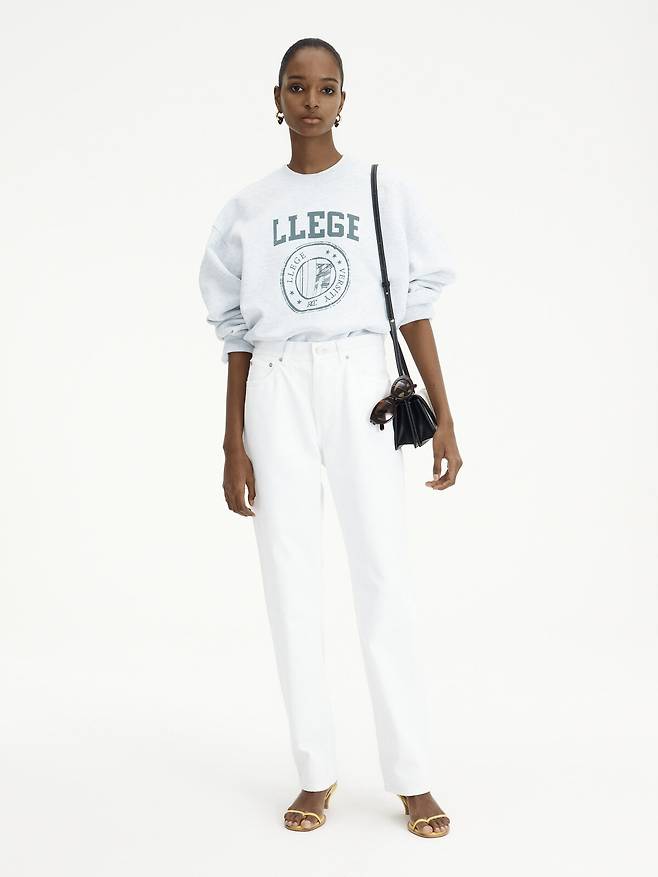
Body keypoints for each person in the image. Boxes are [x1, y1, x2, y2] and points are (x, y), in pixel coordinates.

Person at [198, 37, 463, 837]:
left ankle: (411, 775)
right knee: (289, 578)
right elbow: (236, 332)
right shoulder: (247, 208)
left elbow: (412, 306)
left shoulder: (382, 190)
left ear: (344, 100)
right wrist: (233, 441)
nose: (311, 101)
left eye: (326, 88)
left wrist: (446, 413)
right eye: (297, 86)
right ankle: (316, 770)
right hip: (276, 383)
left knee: (382, 570)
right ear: (275, 97)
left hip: (362, 381)